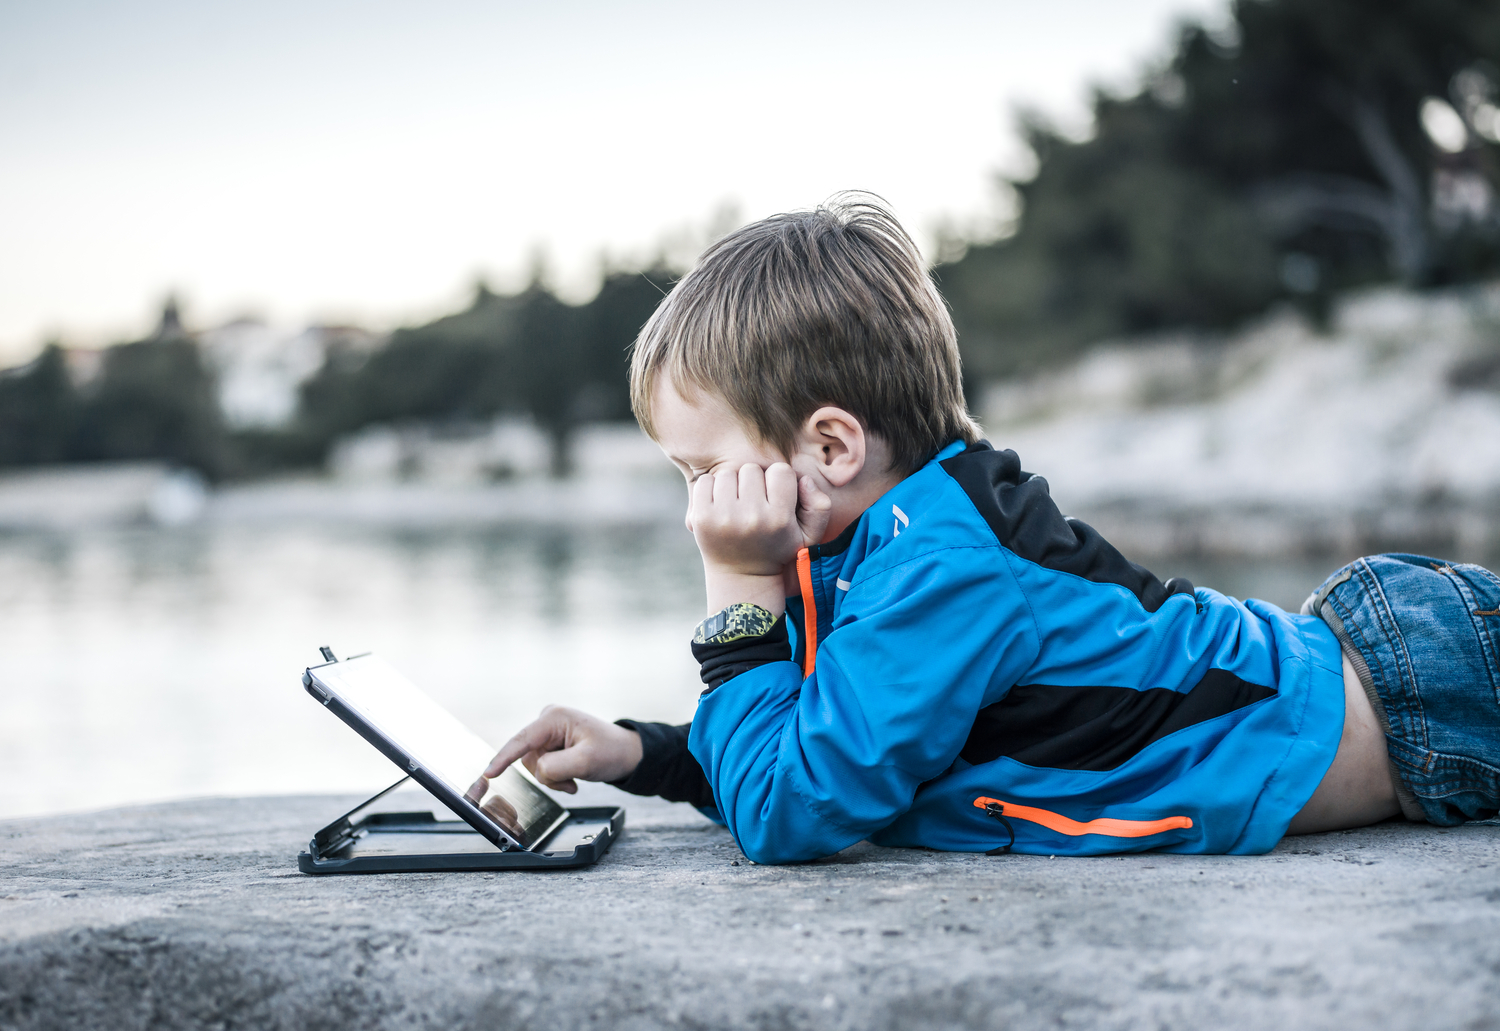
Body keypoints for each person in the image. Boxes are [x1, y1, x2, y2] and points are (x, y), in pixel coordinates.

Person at [467, 195, 1500, 864]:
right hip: (1387, 659)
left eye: (705, 469)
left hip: (1420, 700)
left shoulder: (940, 569)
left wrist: (735, 591)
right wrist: (642, 754)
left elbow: (796, 807)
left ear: (831, 448)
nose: (698, 505)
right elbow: (826, 738)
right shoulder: (876, 544)